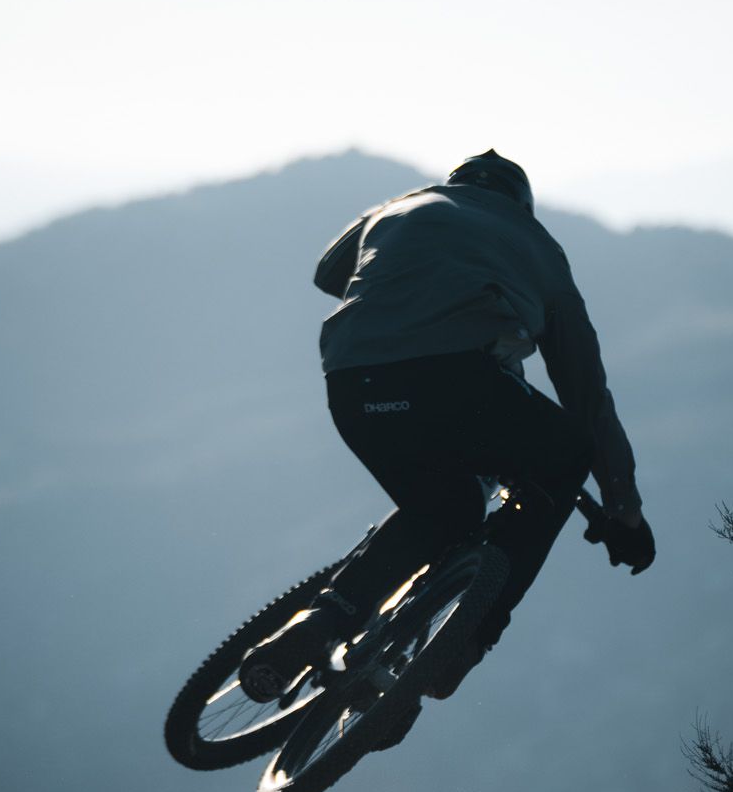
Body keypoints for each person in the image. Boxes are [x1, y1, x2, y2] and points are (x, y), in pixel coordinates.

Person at [239, 149, 655, 704]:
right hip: (455, 378)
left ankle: (318, 623)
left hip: (352, 382)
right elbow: (585, 393)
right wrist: (624, 509)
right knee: (565, 454)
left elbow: (328, 273)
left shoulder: (401, 207)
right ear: (520, 205)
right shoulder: (537, 246)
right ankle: (466, 641)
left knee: (444, 510)